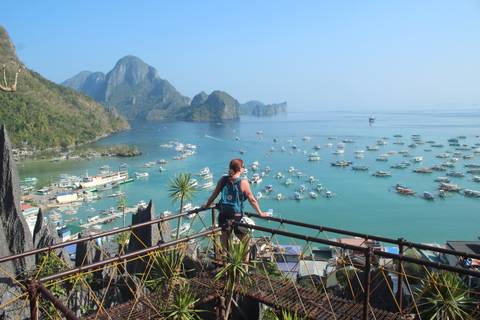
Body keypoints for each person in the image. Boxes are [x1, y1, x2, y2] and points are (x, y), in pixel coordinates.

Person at [202, 158, 269, 253]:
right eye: (243, 167)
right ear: (240, 169)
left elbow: (214, 195)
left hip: (223, 215)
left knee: (225, 243)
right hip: (237, 216)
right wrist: (260, 213)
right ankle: (244, 264)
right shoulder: (243, 182)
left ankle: (227, 263)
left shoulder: (223, 180)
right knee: (245, 243)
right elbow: (252, 200)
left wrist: (206, 206)